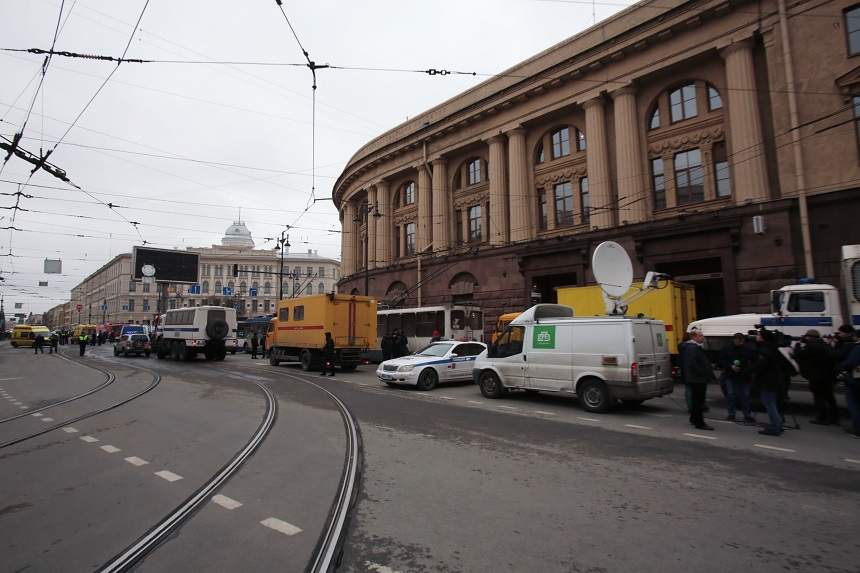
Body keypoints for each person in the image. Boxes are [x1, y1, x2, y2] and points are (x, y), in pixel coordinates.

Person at [793, 329, 838, 425]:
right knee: (830, 397)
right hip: (828, 376)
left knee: (818, 397)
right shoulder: (825, 345)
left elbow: (798, 355)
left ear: (809, 337)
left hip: (816, 376)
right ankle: (834, 418)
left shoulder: (811, 346)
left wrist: (798, 345)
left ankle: (821, 418)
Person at [753, 329, 786, 436]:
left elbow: (760, 366)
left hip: (768, 381)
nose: (756, 336)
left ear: (763, 337)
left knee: (769, 404)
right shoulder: (774, 347)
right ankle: (778, 424)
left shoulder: (765, 350)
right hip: (776, 379)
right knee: (772, 403)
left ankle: (775, 427)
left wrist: (748, 371)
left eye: (758, 335)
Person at [681, 328, 715, 430]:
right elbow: (693, 364)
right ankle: (699, 423)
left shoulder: (694, 347)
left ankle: (694, 418)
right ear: (694, 337)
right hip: (697, 379)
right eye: (700, 336)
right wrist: (703, 373)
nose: (703, 337)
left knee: (697, 400)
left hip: (696, 378)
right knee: (699, 401)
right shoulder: (693, 348)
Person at [719, 333, 756, 424]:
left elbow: (752, 361)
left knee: (745, 396)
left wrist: (743, 368)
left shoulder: (747, 349)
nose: (740, 343)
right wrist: (731, 367)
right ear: (734, 340)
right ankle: (732, 414)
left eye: (741, 341)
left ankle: (747, 415)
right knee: (732, 394)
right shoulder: (727, 349)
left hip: (743, 375)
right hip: (731, 375)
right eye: (738, 341)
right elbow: (722, 360)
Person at [838, 342, 860, 438]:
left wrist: (841, 366)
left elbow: (850, 363)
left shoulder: (858, 348)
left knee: (854, 405)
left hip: (856, 380)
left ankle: (857, 429)